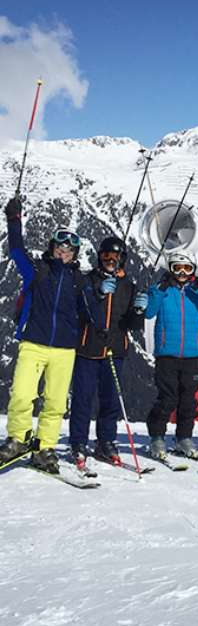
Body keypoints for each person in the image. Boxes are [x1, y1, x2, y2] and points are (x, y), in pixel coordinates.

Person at [0, 196, 88, 473]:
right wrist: (14, 221)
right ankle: (18, 438)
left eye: (70, 249)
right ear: (52, 247)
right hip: (33, 342)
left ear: (75, 254)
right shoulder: (37, 271)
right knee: (23, 395)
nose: (64, 252)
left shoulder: (79, 280)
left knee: (55, 401)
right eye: (60, 247)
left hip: (64, 348)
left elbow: (93, 311)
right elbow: (16, 250)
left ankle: (45, 446)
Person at [68, 237, 146, 467]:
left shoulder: (128, 286)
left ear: (123, 259)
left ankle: (106, 441)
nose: (111, 260)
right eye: (106, 256)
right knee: (82, 398)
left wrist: (140, 310)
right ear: (99, 256)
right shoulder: (87, 281)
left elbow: (131, 324)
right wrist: (99, 295)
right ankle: (78, 443)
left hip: (115, 349)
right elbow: (79, 312)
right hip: (88, 348)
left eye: (116, 256)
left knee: (110, 400)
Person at [142, 251, 198, 460]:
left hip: (191, 354)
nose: (182, 273)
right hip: (166, 354)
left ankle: (184, 437)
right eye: (177, 267)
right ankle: (157, 437)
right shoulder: (163, 290)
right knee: (167, 397)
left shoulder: (197, 292)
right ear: (170, 268)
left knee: (188, 399)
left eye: (187, 268)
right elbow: (149, 312)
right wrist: (159, 290)